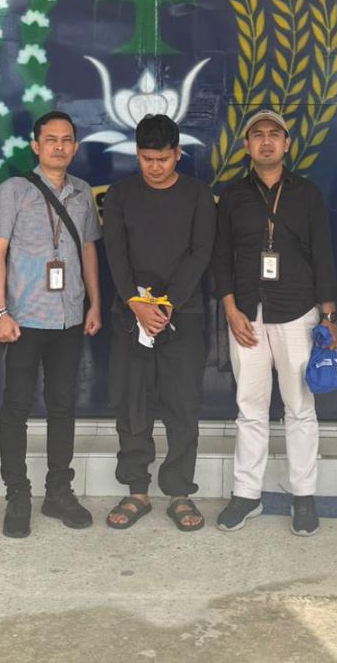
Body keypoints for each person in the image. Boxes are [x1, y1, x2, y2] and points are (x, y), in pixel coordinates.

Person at [211, 110, 337, 536]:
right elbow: (220, 257)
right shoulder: (232, 196)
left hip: (297, 312)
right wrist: (230, 309)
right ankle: (247, 495)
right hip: (247, 315)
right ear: (246, 145)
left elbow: (323, 254)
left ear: (287, 144)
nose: (266, 141)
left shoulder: (307, 194)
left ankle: (303, 497)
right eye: (257, 135)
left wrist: (328, 315)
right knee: (250, 408)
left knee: (299, 408)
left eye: (274, 134)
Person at [0, 111, 102, 538]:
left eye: (66, 139)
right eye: (50, 139)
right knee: (16, 406)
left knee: (62, 405)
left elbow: (88, 251)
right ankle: (17, 493)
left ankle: (58, 491)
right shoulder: (13, 191)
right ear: (35, 146)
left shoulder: (82, 192)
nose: (59, 146)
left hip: (69, 317)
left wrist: (95, 304)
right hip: (23, 319)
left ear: (75, 146)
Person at [102, 114, 216, 532]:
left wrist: (165, 306)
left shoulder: (198, 195)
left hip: (182, 315)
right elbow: (115, 255)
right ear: (137, 154)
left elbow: (200, 253)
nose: (155, 167)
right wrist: (136, 304)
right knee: (132, 404)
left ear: (177, 153)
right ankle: (137, 490)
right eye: (147, 159)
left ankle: (179, 491)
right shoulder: (120, 194)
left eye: (163, 159)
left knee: (182, 405)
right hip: (130, 314)